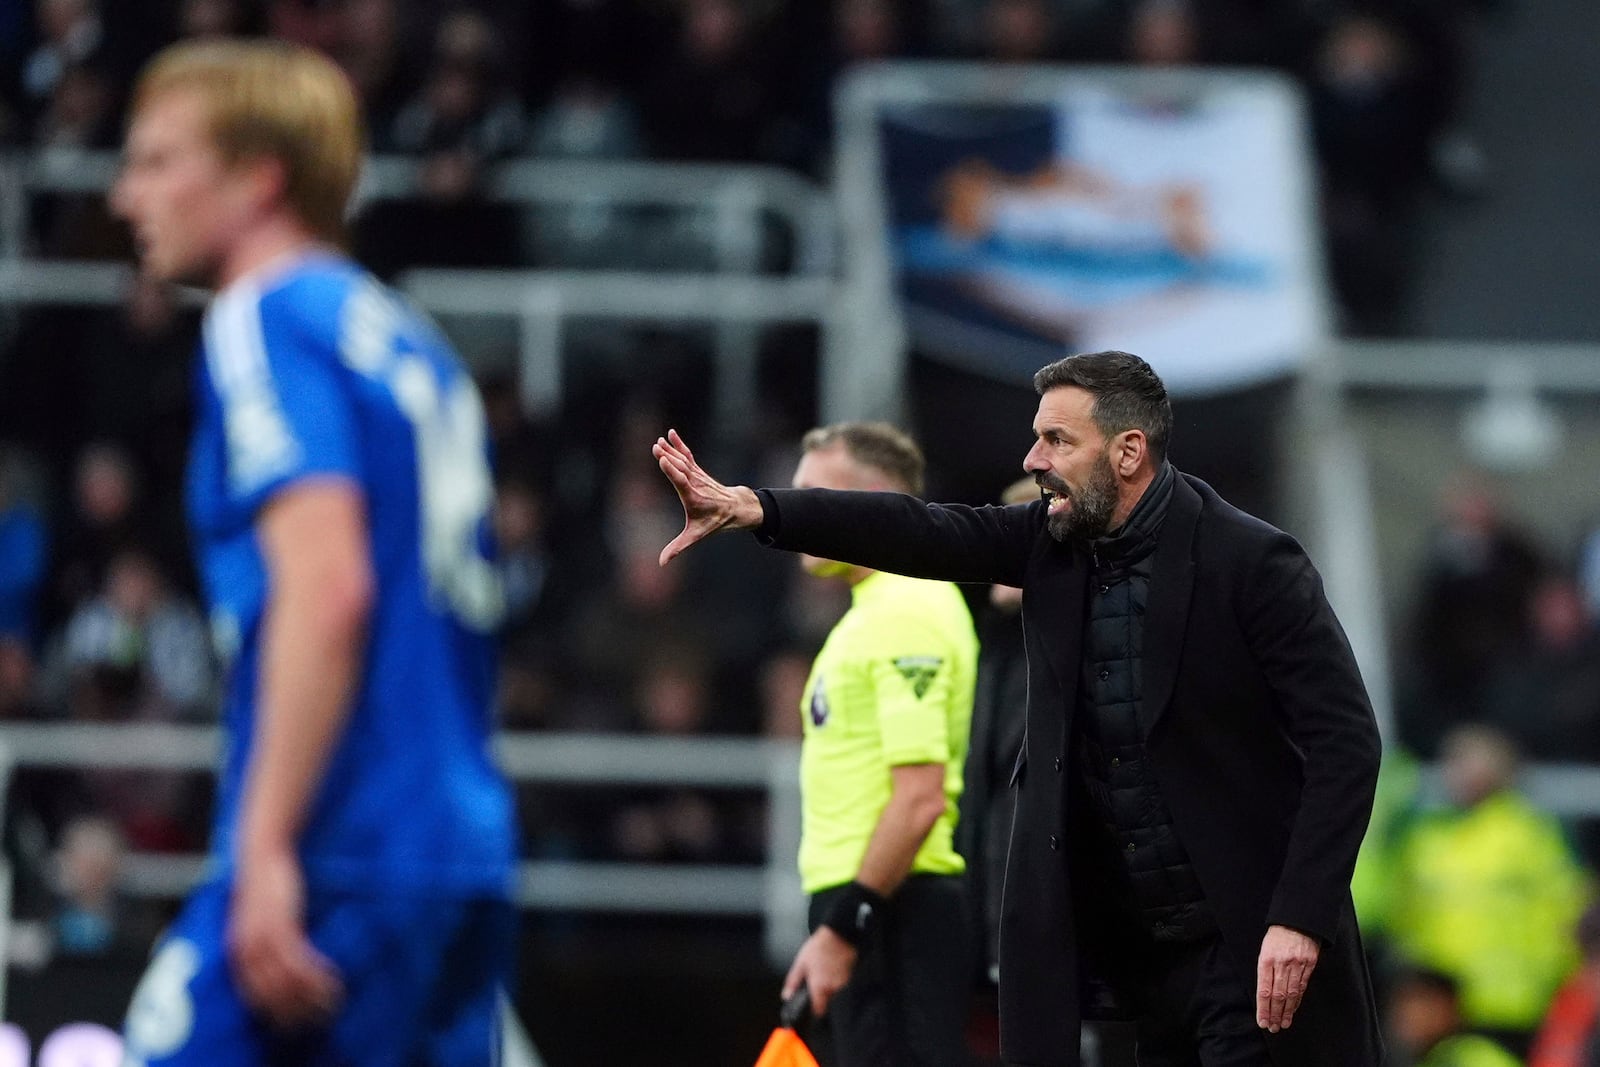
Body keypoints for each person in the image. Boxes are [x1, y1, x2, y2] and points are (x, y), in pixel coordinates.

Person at [654, 350, 1384, 1066]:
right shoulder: (1053, 545)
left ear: (1128, 452)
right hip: (1139, 957)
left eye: (1056, 439)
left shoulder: (1252, 562)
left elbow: (1346, 742)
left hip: (1248, 933)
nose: (1033, 459)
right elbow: (919, 528)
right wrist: (757, 508)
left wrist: (1299, 912)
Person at [110, 40, 517, 1065]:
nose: (125, 195)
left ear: (257, 178)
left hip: (347, 837)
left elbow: (328, 585)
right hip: (456, 835)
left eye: (158, 161)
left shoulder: (264, 317)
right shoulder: (400, 332)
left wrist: (265, 846)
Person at [775, 422, 979, 1067]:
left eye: (815, 493)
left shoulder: (906, 610)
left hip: (894, 909)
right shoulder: (874, 610)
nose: (797, 510)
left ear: (872, 499)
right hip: (877, 903)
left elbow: (919, 799)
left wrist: (844, 926)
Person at [1387, 725, 1590, 1057]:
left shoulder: (1527, 833)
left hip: (1515, 1002)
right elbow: (1408, 916)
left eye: (1470, 763)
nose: (1459, 774)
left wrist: (1555, 973)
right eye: (1454, 764)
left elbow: (1566, 909)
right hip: (1448, 1002)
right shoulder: (1430, 838)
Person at [1389, 966, 1522, 1067]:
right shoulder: (1459, 1057)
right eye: (1413, 1024)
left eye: (1423, 1005)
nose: (1427, 1019)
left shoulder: (1480, 978)